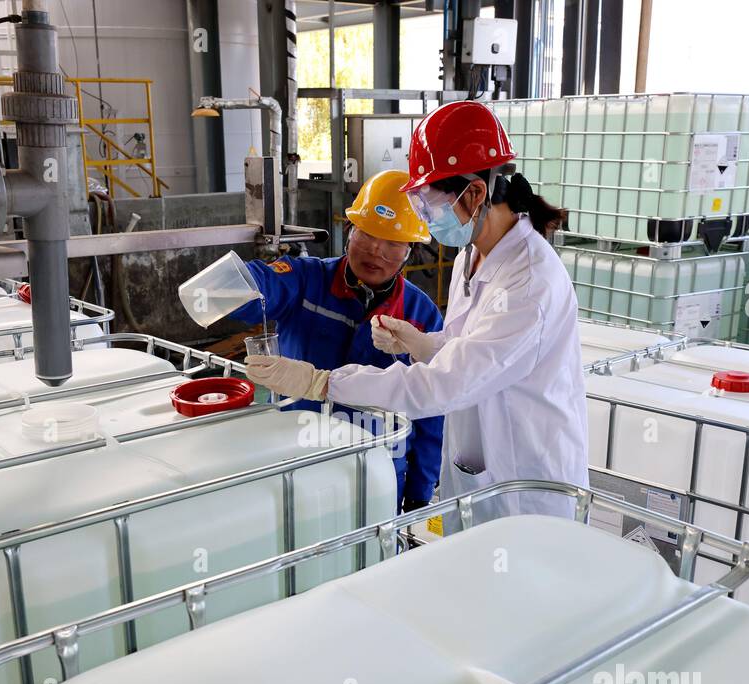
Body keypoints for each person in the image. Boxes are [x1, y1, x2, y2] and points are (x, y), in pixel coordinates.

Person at [245, 100, 589, 526]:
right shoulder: (472, 256)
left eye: (429, 202)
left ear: (476, 193)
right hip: (477, 475)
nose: (426, 218)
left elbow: (444, 386)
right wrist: (427, 344)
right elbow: (470, 352)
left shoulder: (530, 285)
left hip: (524, 485)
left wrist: (322, 382)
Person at [228, 169, 444, 514]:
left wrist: (421, 489)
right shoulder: (306, 280)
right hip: (302, 452)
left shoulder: (421, 315)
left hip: (382, 465)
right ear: (349, 232)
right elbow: (263, 288)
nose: (376, 251)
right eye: (368, 234)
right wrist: (233, 286)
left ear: (409, 251)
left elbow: (433, 408)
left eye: (392, 242)